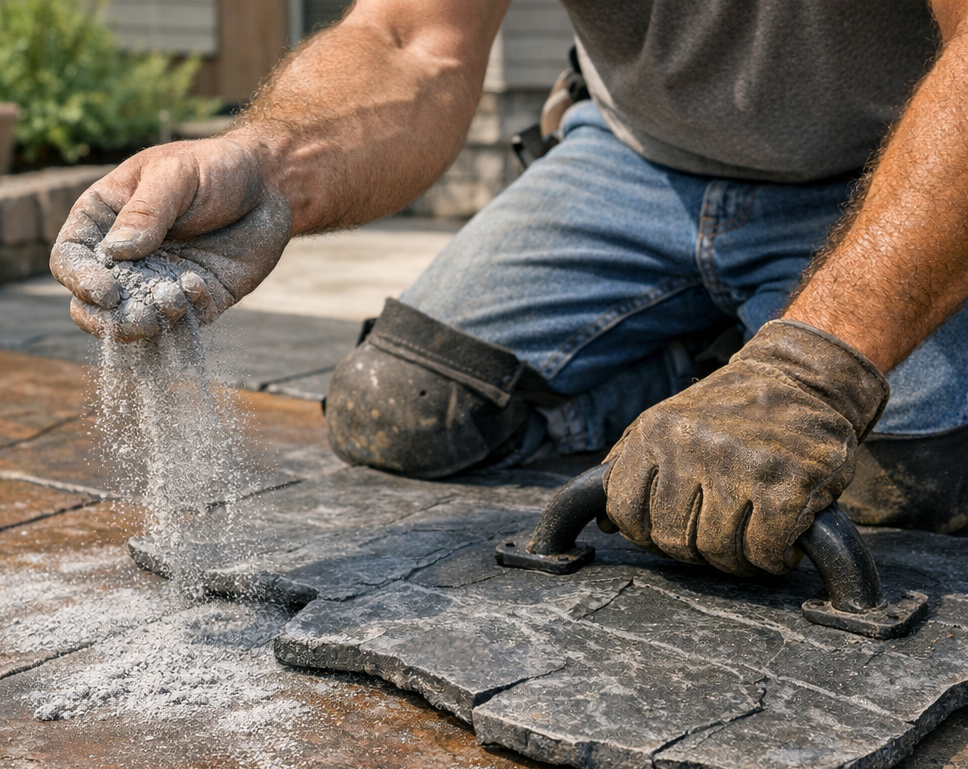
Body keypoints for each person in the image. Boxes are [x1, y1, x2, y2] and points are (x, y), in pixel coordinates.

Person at [52, 0, 968, 578]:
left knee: (896, 483)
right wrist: (265, 164)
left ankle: (772, 342)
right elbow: (411, 42)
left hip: (886, 178)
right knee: (397, 408)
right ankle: (704, 355)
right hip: (634, 163)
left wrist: (813, 370)